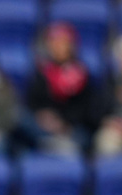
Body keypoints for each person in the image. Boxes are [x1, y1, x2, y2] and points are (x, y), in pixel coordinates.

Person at [23, 22, 101, 155]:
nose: (58, 47)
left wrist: (63, 123)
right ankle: (54, 146)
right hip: (44, 127)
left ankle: (52, 146)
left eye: (63, 43)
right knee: (22, 119)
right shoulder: (42, 72)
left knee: (84, 137)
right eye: (54, 43)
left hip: (71, 128)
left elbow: (87, 109)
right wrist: (44, 116)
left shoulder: (82, 73)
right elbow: (32, 102)